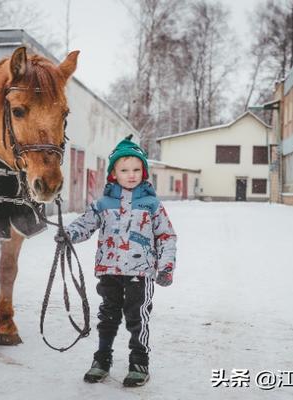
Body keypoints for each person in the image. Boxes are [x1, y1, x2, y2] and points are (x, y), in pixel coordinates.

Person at [55, 135, 177, 387]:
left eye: (136, 169)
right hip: (109, 270)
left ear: (143, 171)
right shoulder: (103, 203)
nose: (131, 174)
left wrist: (165, 267)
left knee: (137, 317)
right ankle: (102, 359)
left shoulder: (151, 204)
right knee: (108, 316)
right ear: (113, 174)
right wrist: (69, 234)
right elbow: (85, 225)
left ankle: (139, 362)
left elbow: (166, 236)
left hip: (140, 273)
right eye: (124, 170)